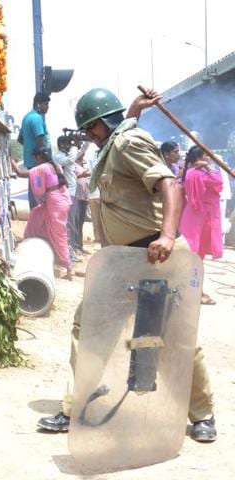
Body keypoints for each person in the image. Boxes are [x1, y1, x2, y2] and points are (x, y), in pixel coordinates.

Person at [36, 88, 217, 443]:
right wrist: (133, 109)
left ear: (104, 124)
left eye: (91, 129)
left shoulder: (128, 142)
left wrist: (166, 236)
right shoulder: (114, 142)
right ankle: (74, 408)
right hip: (121, 260)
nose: (89, 136)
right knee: (87, 327)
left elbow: (169, 184)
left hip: (155, 254)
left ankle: (202, 414)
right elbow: (121, 131)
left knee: (178, 336)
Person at [179, 146, 223, 305]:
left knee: (197, 257)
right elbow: (217, 181)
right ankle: (194, 292)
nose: (210, 159)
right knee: (192, 257)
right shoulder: (195, 174)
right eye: (207, 156)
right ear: (200, 157)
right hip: (198, 220)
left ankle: (194, 291)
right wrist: (206, 167)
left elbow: (218, 183)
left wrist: (205, 166)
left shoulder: (195, 173)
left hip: (201, 219)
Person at [20, 147, 73, 279]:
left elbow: (21, 173)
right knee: (36, 216)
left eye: (35, 158)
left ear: (39, 157)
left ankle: (68, 268)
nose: (35, 161)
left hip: (55, 203)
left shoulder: (43, 168)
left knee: (58, 233)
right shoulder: (55, 166)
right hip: (59, 199)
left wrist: (10, 161)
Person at [12, 92, 51, 209]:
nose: (48, 107)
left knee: (33, 193)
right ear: (38, 104)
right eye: (46, 104)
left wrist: (30, 148)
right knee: (40, 198)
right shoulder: (37, 118)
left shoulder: (26, 118)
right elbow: (40, 142)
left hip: (30, 162)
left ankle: (35, 220)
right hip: (38, 163)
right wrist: (45, 160)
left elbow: (20, 139)